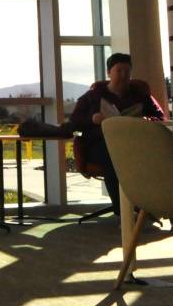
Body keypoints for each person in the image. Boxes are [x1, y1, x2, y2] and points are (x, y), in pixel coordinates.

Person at [65, 52, 165, 215]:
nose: (124, 75)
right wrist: (92, 119)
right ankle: (124, 213)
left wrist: (145, 118)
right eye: (119, 71)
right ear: (109, 73)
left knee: (149, 159)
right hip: (101, 145)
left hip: (134, 143)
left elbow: (160, 117)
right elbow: (75, 121)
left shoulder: (141, 95)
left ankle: (151, 207)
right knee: (114, 159)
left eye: (127, 71)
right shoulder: (92, 97)